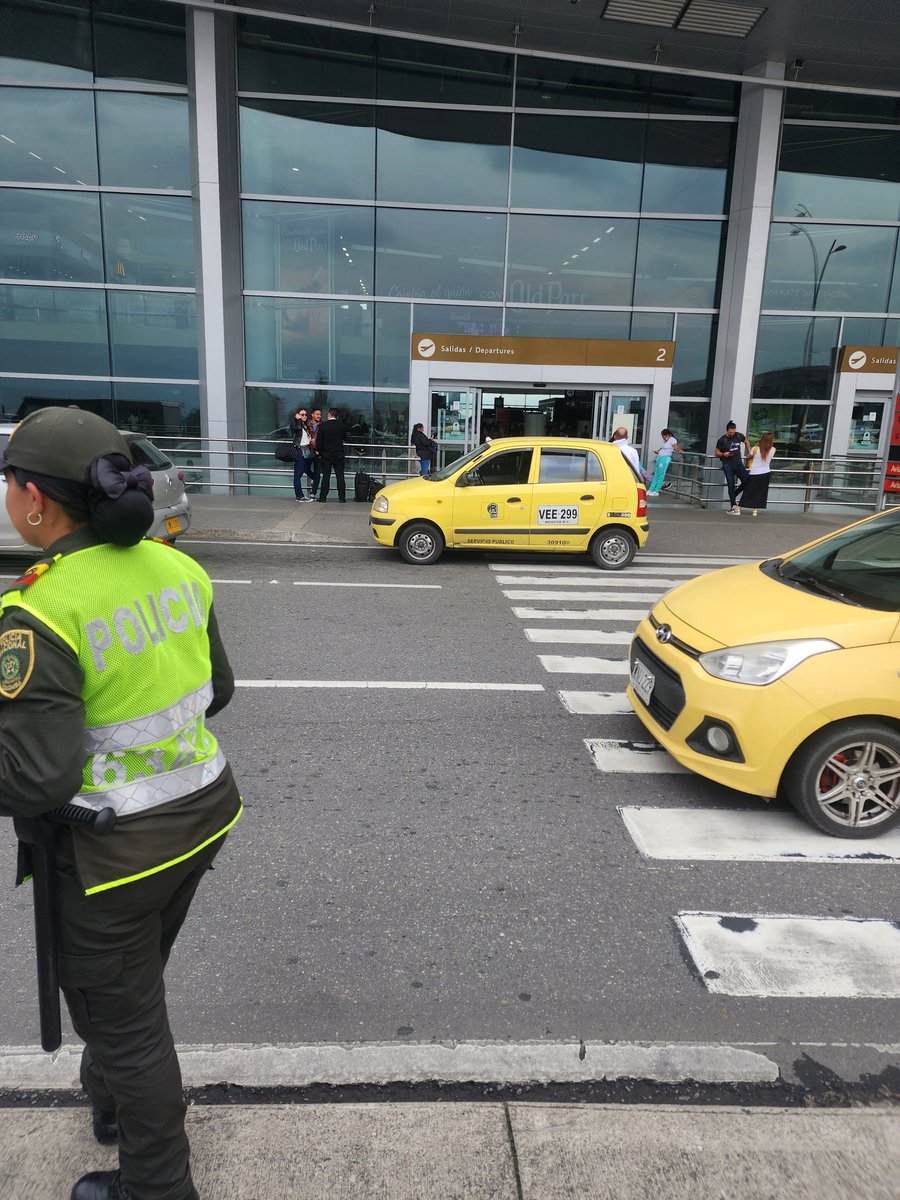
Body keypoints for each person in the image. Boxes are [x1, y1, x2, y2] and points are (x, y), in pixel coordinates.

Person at [0, 407, 242, 1200]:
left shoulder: (43, 608)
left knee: (127, 1028)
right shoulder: (176, 569)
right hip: (201, 817)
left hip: (110, 854)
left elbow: (35, 781)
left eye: (9, 483)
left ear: (37, 501)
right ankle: (111, 1104)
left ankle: (157, 1186)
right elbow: (219, 692)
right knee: (129, 997)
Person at [715, 419, 751, 515]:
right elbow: (716, 452)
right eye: (730, 432)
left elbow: (747, 441)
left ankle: (733, 495)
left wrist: (748, 451)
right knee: (730, 483)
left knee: (747, 481)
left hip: (738, 463)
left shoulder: (739, 435)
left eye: (733, 431)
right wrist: (723, 454)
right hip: (727, 464)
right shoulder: (722, 440)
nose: (732, 433)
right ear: (727, 430)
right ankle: (733, 504)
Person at [316, 408, 348, 502]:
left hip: (326, 454)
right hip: (339, 454)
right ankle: (342, 498)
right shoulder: (342, 426)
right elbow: (344, 438)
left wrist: (320, 451)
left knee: (326, 476)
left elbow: (319, 442)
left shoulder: (323, 426)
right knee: (340, 476)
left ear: (329, 414)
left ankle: (323, 498)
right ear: (337, 416)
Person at [742, 431, 776, 517]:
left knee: (748, 491)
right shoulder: (773, 450)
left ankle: (739, 507)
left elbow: (748, 456)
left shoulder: (755, 449)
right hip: (766, 473)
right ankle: (755, 510)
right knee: (760, 493)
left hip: (754, 473)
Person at [289, 406, 316, 502]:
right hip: (300, 451)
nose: (304, 416)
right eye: (302, 415)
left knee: (305, 469)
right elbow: (295, 429)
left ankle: (314, 480)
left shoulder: (305, 426)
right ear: (298, 415)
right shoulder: (297, 425)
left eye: (305, 414)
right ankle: (299, 496)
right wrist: (297, 420)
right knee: (298, 474)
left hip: (307, 450)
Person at [647, 427, 678, 496]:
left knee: (660, 475)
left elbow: (676, 448)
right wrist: (657, 451)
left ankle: (656, 490)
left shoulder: (672, 440)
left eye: (663, 436)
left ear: (667, 435)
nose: (662, 437)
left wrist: (681, 452)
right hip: (660, 458)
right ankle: (651, 489)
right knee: (656, 475)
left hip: (665, 458)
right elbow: (662, 448)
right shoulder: (665, 441)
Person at [306, 407, 323, 500]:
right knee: (305, 468)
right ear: (312, 415)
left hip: (318, 451)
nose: (319, 416)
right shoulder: (307, 424)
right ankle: (315, 479)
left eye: (320, 414)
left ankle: (313, 493)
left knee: (317, 471)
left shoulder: (322, 425)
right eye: (317, 414)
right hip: (308, 451)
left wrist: (316, 442)